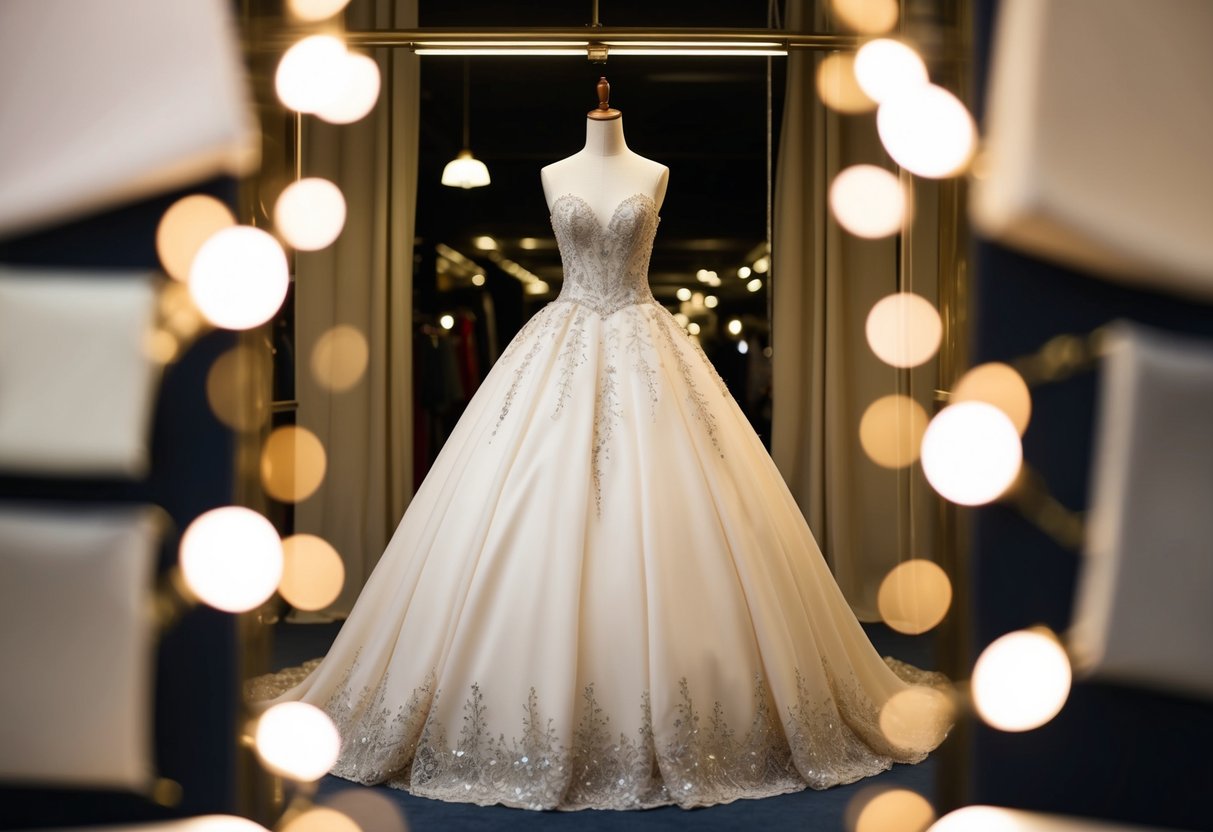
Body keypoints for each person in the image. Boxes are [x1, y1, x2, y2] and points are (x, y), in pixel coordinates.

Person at [251, 78, 951, 811]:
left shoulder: (654, 172)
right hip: (561, 338)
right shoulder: (554, 172)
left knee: (684, 507)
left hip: (647, 343)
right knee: (518, 498)